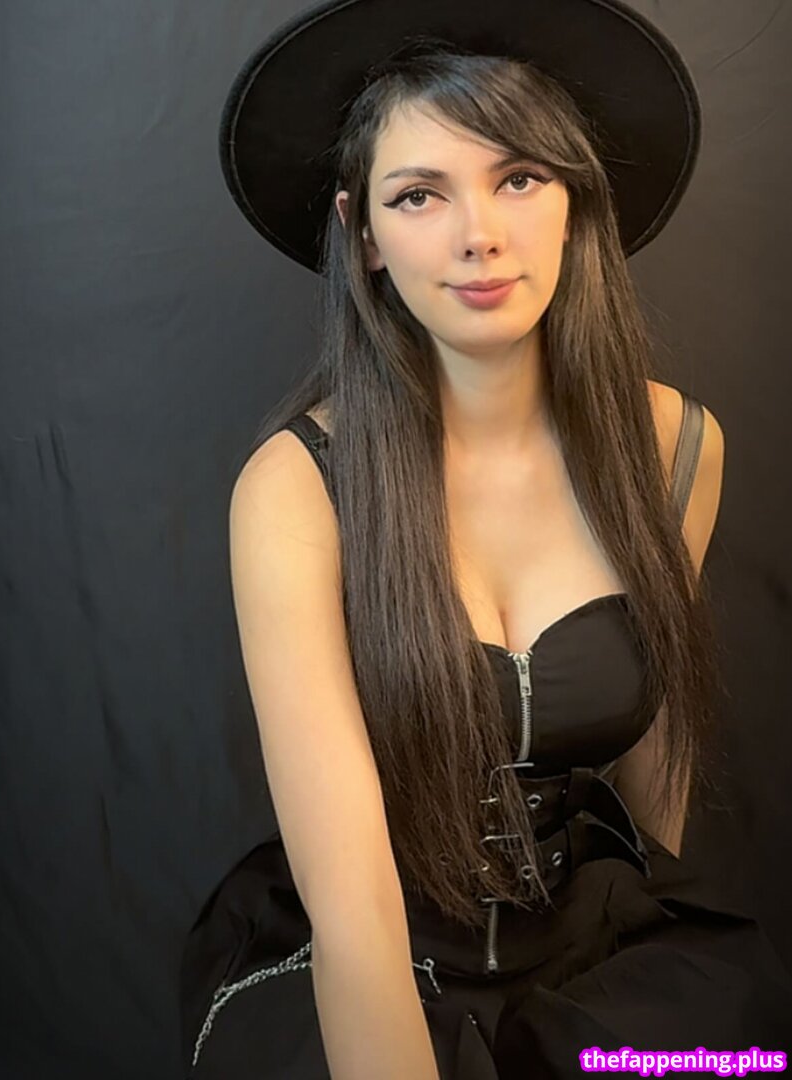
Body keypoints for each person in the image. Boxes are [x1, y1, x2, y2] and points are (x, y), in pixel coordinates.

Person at [179, 1, 792, 1076]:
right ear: (363, 236)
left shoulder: (677, 448)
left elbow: (652, 805)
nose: (479, 235)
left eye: (518, 178)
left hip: (600, 959)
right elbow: (354, 904)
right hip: (379, 956)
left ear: (575, 200)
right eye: (419, 194)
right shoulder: (295, 489)